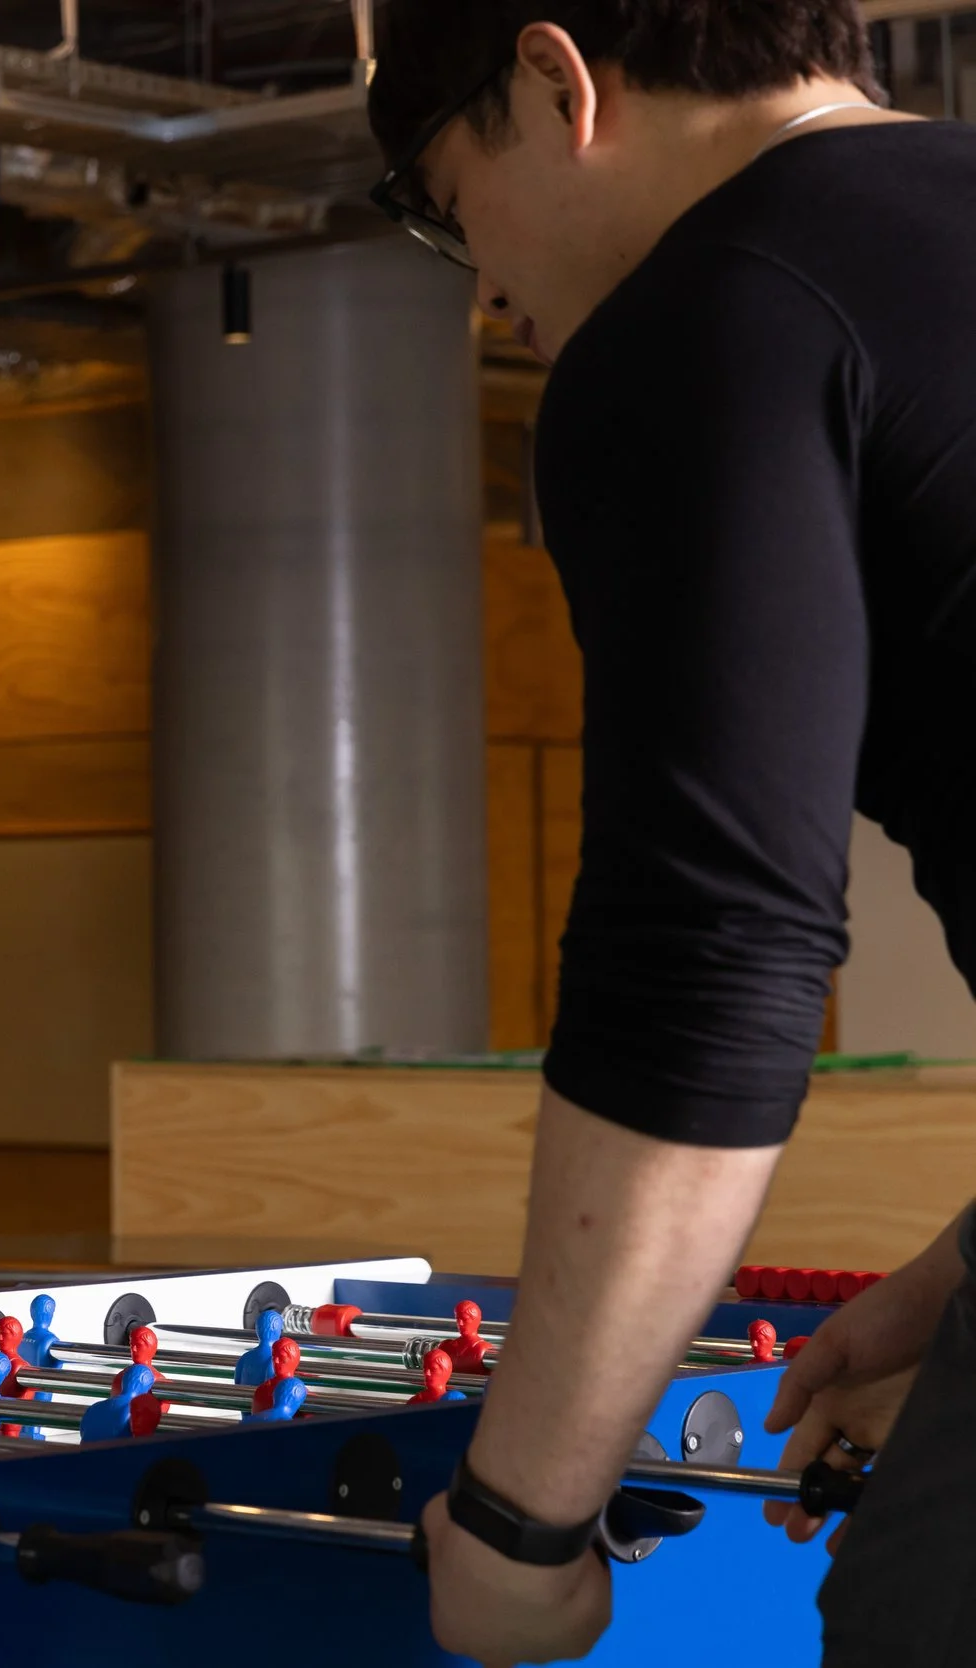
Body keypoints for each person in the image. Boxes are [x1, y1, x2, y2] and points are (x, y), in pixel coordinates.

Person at [366, 5, 976, 1663]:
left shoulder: (711, 315)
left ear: (559, 85)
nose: (481, 286)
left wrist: (516, 1519)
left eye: (451, 200)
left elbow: (712, 953)